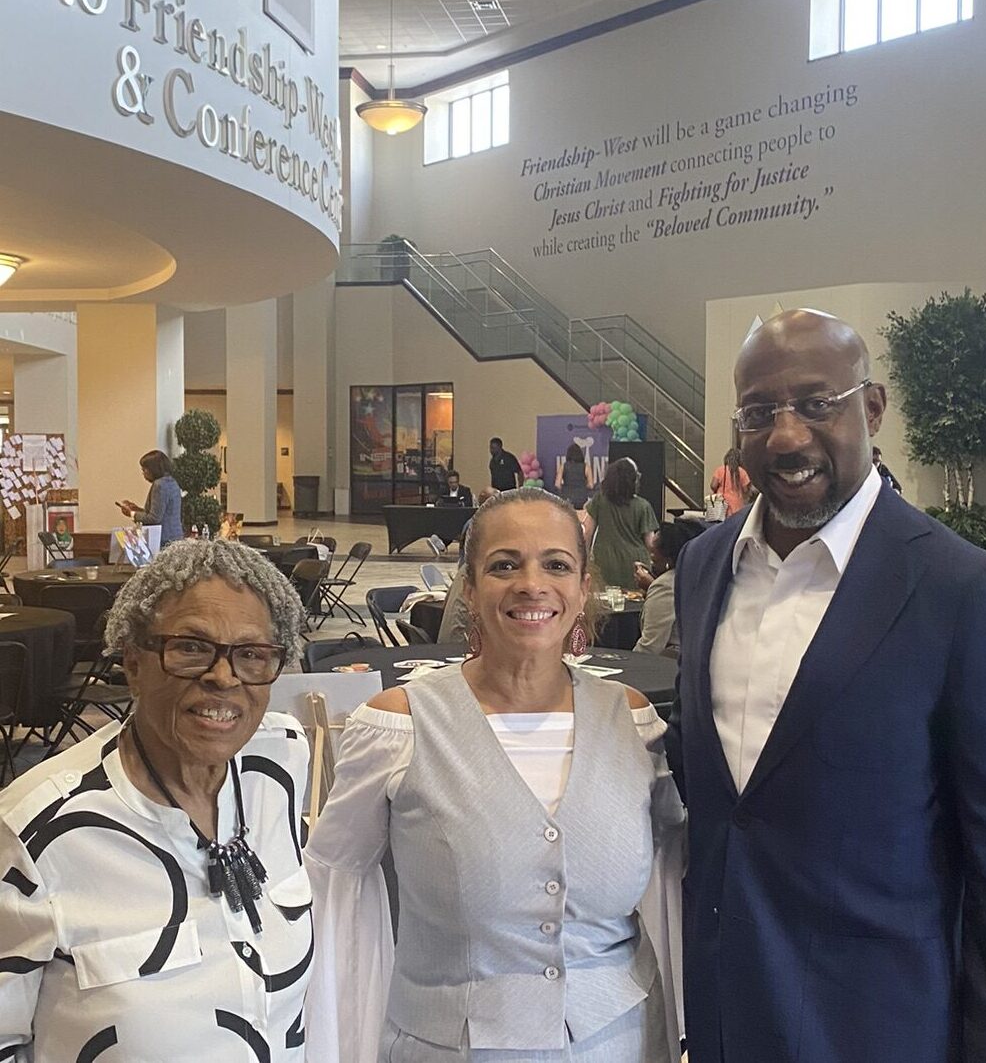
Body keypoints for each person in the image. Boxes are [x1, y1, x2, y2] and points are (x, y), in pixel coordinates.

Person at [665, 309, 986, 1063]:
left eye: (816, 404)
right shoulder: (703, 567)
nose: (786, 436)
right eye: (759, 413)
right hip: (724, 1021)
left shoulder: (965, 593)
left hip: (883, 1030)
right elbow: (707, 776)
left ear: (871, 408)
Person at [305, 488, 685, 1062]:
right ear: (472, 588)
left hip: (624, 1043)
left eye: (556, 564)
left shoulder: (633, 722)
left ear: (584, 589)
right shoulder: (397, 728)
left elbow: (669, 882)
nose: (532, 584)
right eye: (504, 565)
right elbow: (340, 895)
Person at [0, 539, 312, 1061]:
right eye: (191, 647)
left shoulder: (277, 766)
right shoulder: (35, 834)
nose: (223, 676)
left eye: (253, 654)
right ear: (133, 661)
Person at [632, 519, 706, 657]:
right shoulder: (701, 578)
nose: (650, 558)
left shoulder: (664, 586)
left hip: (668, 665)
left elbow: (651, 645)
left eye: (653, 554)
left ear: (668, 559)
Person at [583, 458, 658, 590]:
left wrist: (585, 560)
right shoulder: (643, 506)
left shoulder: (599, 500)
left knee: (607, 601)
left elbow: (587, 532)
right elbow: (650, 543)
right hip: (635, 563)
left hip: (605, 560)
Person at [118, 449, 184, 545]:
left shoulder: (159, 485)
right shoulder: (172, 482)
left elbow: (154, 519)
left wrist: (132, 514)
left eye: (144, 470)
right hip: (175, 537)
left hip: (163, 541)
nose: (143, 473)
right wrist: (136, 509)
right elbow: (161, 512)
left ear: (153, 469)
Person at [708, 447, 751, 517]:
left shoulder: (721, 470)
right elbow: (746, 490)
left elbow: (713, 485)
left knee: (719, 525)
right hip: (737, 504)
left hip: (720, 503)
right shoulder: (742, 472)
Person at [555, 441, 594, 508]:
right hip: (582, 498)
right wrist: (583, 486)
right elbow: (591, 485)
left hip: (567, 498)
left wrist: (565, 488)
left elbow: (557, 484)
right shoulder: (586, 467)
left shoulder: (563, 466)